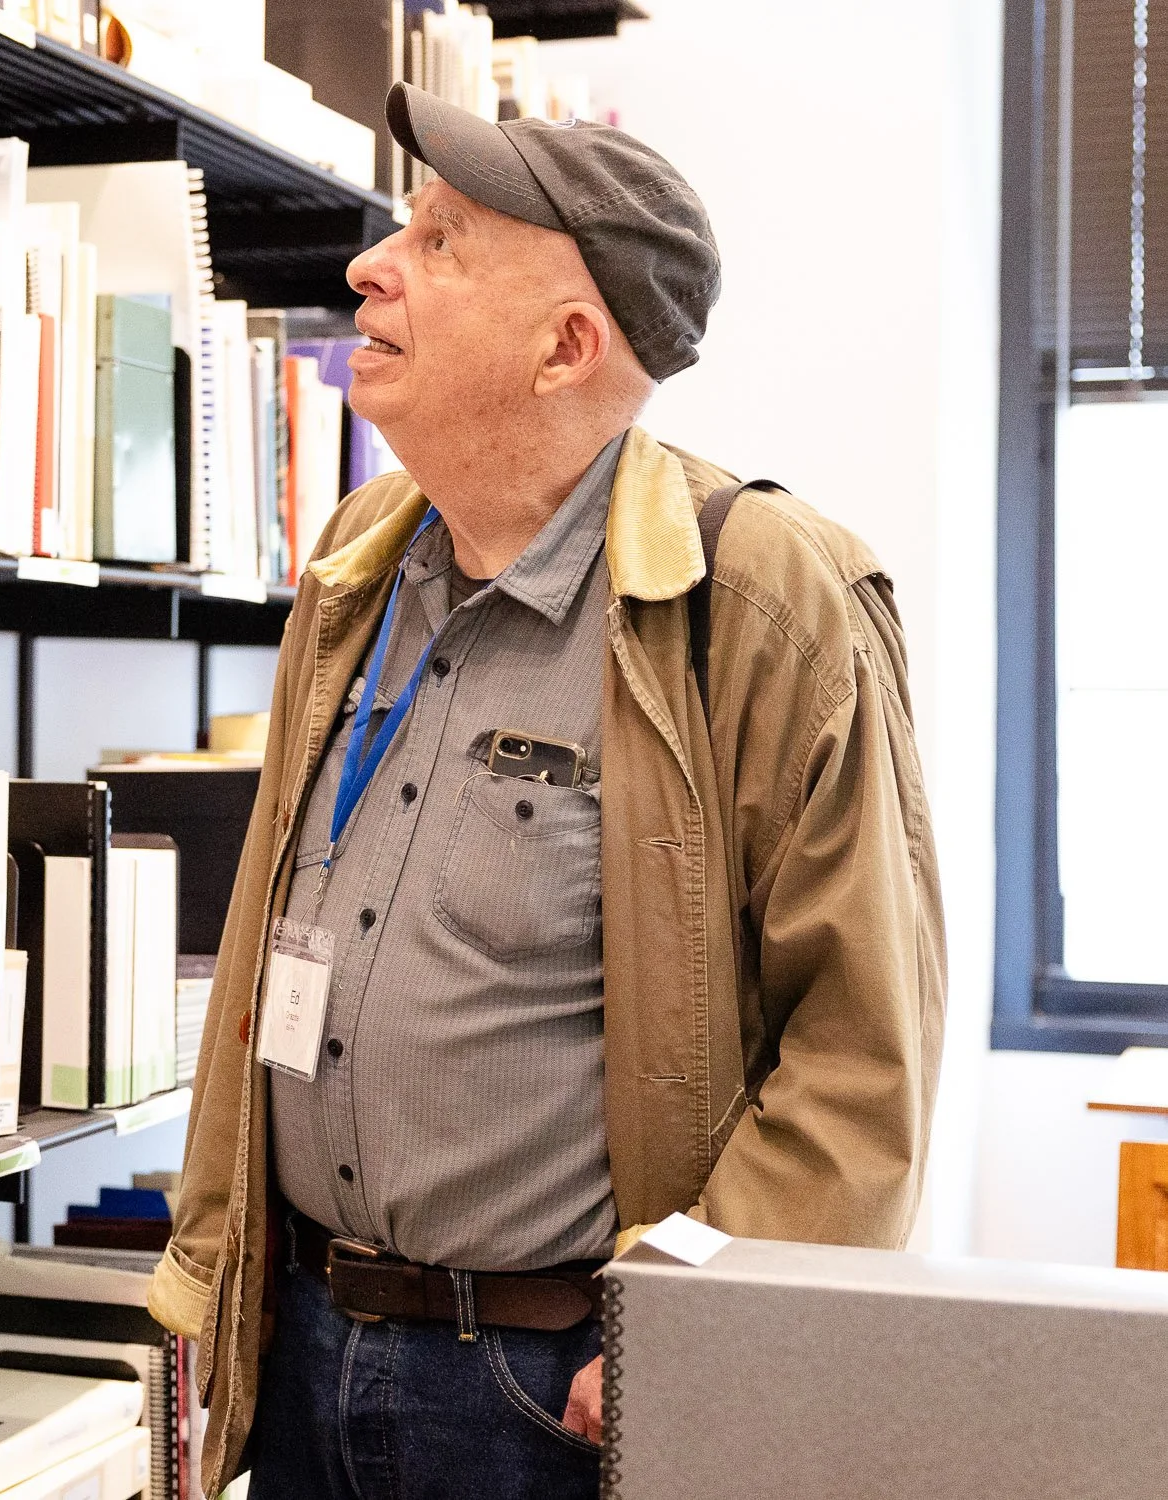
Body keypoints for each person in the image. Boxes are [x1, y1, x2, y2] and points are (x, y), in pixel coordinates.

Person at [147, 83, 945, 1499]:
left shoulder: (759, 596)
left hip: (548, 1392)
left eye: (441, 242)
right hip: (301, 1342)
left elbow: (858, 1046)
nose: (369, 265)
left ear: (564, 345)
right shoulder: (355, 560)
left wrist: (687, 1333)